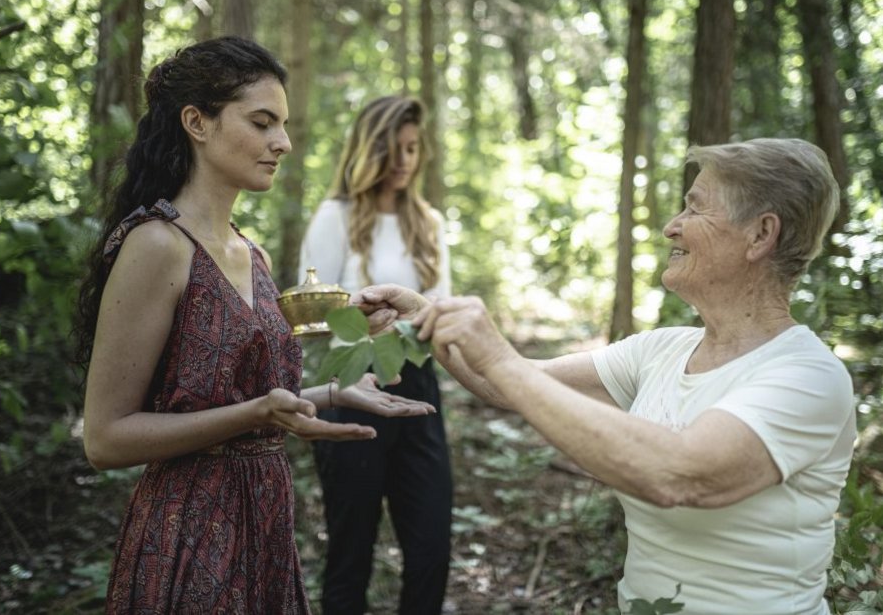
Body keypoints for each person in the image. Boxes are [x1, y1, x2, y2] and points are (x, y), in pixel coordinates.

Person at [353, 138, 856, 615]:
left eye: (695, 207)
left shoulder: (807, 376)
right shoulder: (664, 349)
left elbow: (682, 474)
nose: (672, 227)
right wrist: (425, 315)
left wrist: (499, 358)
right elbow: (507, 384)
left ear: (761, 235)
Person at [76, 37, 436, 614]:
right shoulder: (156, 245)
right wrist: (257, 413)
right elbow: (105, 439)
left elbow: (255, 400)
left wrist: (333, 393)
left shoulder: (254, 254)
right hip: (189, 535)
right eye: (263, 122)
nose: (283, 143)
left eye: (284, 125)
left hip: (266, 525)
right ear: (197, 121)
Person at [298, 96, 453, 615]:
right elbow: (308, 315)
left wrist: (416, 319)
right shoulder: (334, 217)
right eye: (395, 147)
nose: (406, 159)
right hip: (350, 388)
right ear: (371, 148)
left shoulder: (428, 221)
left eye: (414, 148)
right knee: (351, 548)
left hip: (419, 385)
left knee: (430, 544)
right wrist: (356, 316)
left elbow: (440, 309)